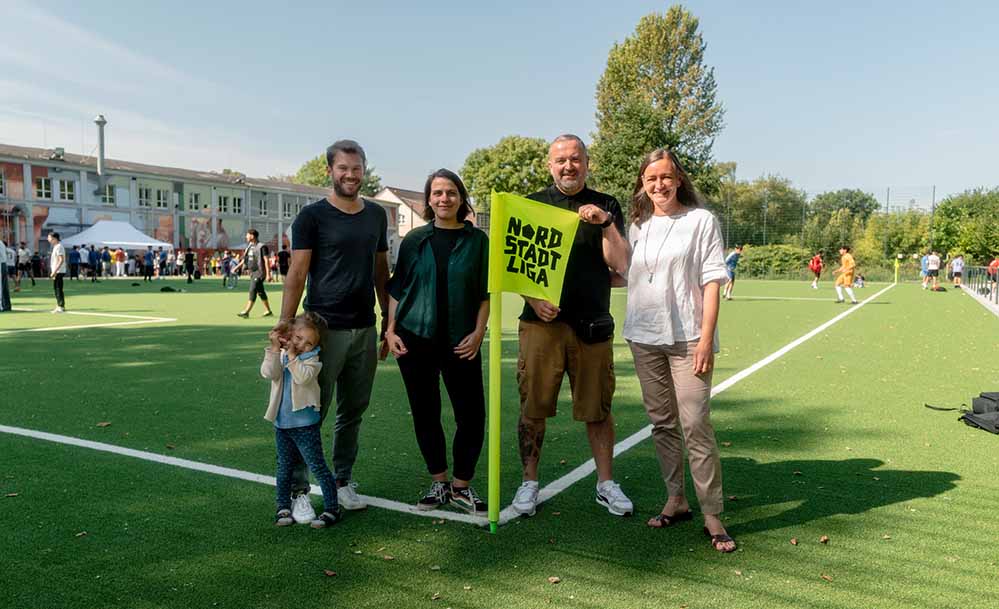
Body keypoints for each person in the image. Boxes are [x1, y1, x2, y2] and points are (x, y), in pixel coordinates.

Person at [510, 134, 632, 518]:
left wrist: (606, 223)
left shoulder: (606, 204)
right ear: (550, 165)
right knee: (533, 407)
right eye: (560, 160)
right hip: (541, 325)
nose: (568, 166)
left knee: (598, 408)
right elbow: (512, 265)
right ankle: (529, 483)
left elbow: (622, 266)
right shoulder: (531, 204)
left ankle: (605, 483)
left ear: (586, 162)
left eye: (575, 159)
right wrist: (533, 298)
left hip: (592, 324)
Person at [623, 148, 734, 551]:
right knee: (662, 424)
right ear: (642, 183)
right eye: (651, 179)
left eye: (666, 177)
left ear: (679, 179)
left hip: (689, 338)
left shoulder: (701, 221)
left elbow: (711, 282)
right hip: (643, 336)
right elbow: (625, 274)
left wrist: (706, 339)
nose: (659, 185)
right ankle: (676, 499)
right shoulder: (638, 225)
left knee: (696, 425)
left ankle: (712, 514)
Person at [279, 139, 390, 512]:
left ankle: (342, 481)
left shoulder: (376, 215)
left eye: (357, 168)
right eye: (343, 168)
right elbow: (297, 273)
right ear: (330, 170)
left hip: (364, 329)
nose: (351, 175)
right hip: (323, 332)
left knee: (352, 413)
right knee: (309, 413)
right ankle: (297, 492)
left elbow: (381, 273)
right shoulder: (311, 217)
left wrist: (388, 321)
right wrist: (285, 324)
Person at [385, 169, 489, 514]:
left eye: (451, 192)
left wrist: (478, 332)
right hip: (415, 340)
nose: (444, 199)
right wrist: (389, 330)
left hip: (462, 341)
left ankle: (461, 486)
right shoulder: (415, 239)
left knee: (472, 416)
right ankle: (439, 483)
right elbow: (398, 289)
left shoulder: (478, 242)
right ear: (428, 200)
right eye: (437, 193)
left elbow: (485, 293)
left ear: (461, 198)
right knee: (426, 413)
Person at [261, 313, 341, 529]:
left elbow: (303, 378)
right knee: (284, 466)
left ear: (316, 346)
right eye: (298, 338)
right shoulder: (281, 354)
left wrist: (293, 356)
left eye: (309, 343)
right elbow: (268, 373)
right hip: (282, 423)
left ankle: (332, 508)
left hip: (305, 424)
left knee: (317, 466)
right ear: (289, 334)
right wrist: (275, 349)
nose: (302, 345)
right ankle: (283, 507)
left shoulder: (312, 360)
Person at [232, 229, 273, 318]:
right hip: (252, 273)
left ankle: (246, 311)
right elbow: (244, 260)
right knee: (260, 292)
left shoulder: (262, 247)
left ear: (252, 236)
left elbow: (266, 260)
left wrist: (268, 274)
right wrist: (236, 268)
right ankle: (268, 310)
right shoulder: (249, 247)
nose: (246, 237)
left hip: (260, 272)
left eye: (247, 235)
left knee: (252, 289)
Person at [48, 233, 67, 313]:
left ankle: (61, 306)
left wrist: (55, 271)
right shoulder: (56, 247)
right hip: (57, 271)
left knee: (58, 289)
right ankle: (59, 305)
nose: (48, 240)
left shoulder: (59, 246)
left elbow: (61, 259)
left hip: (59, 271)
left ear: (55, 238)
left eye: (49, 238)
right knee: (56, 288)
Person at [0, 237, 10, 312]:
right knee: (4, 286)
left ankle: (3, 305)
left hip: (1, 264)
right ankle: (6, 305)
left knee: (2, 287)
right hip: (4, 264)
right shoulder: (2, 243)